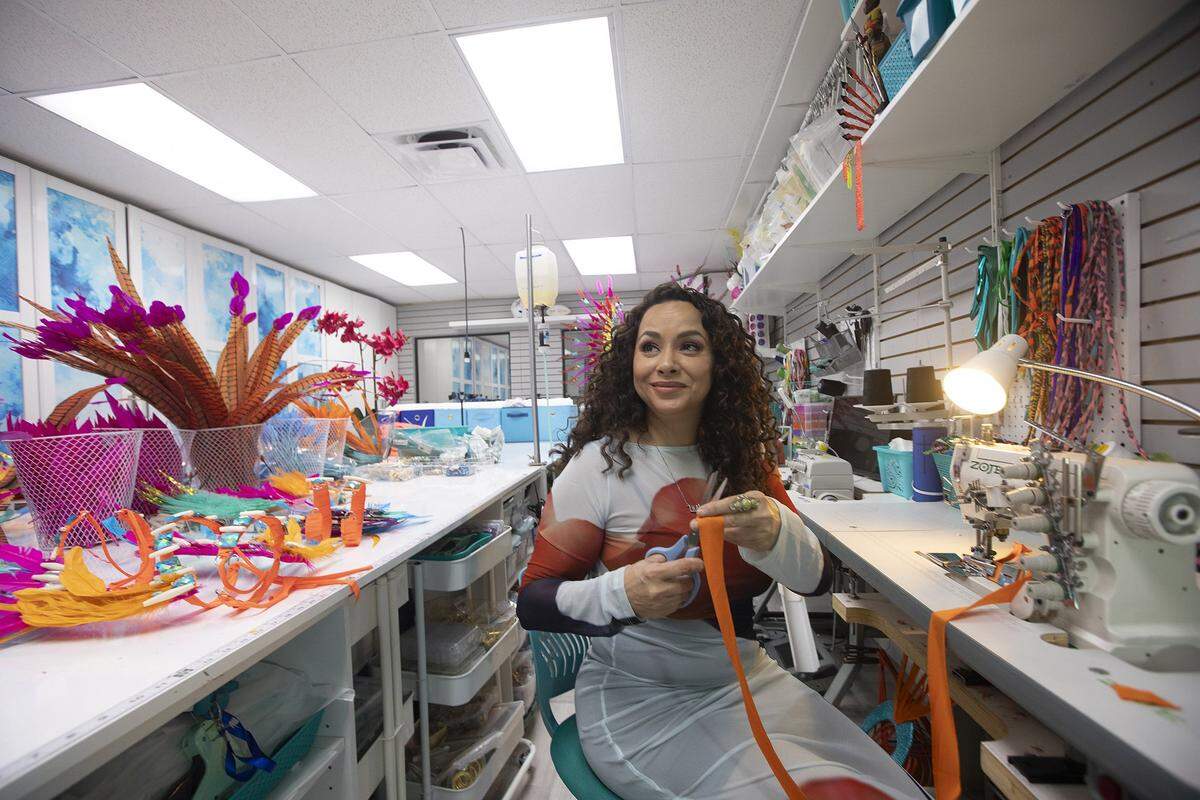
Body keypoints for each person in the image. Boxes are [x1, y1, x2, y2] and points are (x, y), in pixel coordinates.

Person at [517, 284, 923, 799]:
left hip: (746, 680)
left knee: (884, 791)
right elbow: (532, 604)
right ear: (630, 364)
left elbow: (816, 578)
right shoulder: (599, 466)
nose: (666, 363)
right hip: (638, 699)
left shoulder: (740, 459)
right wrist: (622, 593)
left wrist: (775, 534)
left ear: (718, 365)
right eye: (649, 346)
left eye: (689, 346)